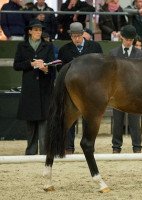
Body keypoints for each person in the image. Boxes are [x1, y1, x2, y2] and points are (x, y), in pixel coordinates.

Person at [58, 22, 103, 154]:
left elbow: (102, 67)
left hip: (91, 89)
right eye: (73, 36)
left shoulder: (94, 47)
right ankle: (69, 147)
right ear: (70, 36)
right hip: (72, 89)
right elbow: (60, 69)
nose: (76, 39)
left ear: (83, 34)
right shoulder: (64, 50)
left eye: (78, 36)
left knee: (89, 118)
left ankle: (88, 145)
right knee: (70, 116)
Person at [13, 19, 55, 155]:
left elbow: (53, 68)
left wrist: (46, 69)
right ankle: (31, 151)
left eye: (40, 30)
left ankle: (44, 152)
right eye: (36, 29)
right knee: (31, 124)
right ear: (30, 31)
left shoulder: (48, 46)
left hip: (44, 89)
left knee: (44, 123)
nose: (38, 32)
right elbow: (16, 65)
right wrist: (30, 64)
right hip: (30, 90)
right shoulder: (22, 46)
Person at [110, 25, 142, 153]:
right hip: (118, 92)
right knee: (117, 121)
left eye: (131, 40)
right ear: (121, 38)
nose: (129, 42)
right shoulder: (113, 53)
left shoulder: (141, 54)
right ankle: (116, 146)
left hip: (135, 93)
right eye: (127, 39)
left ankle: (137, 146)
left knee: (135, 121)